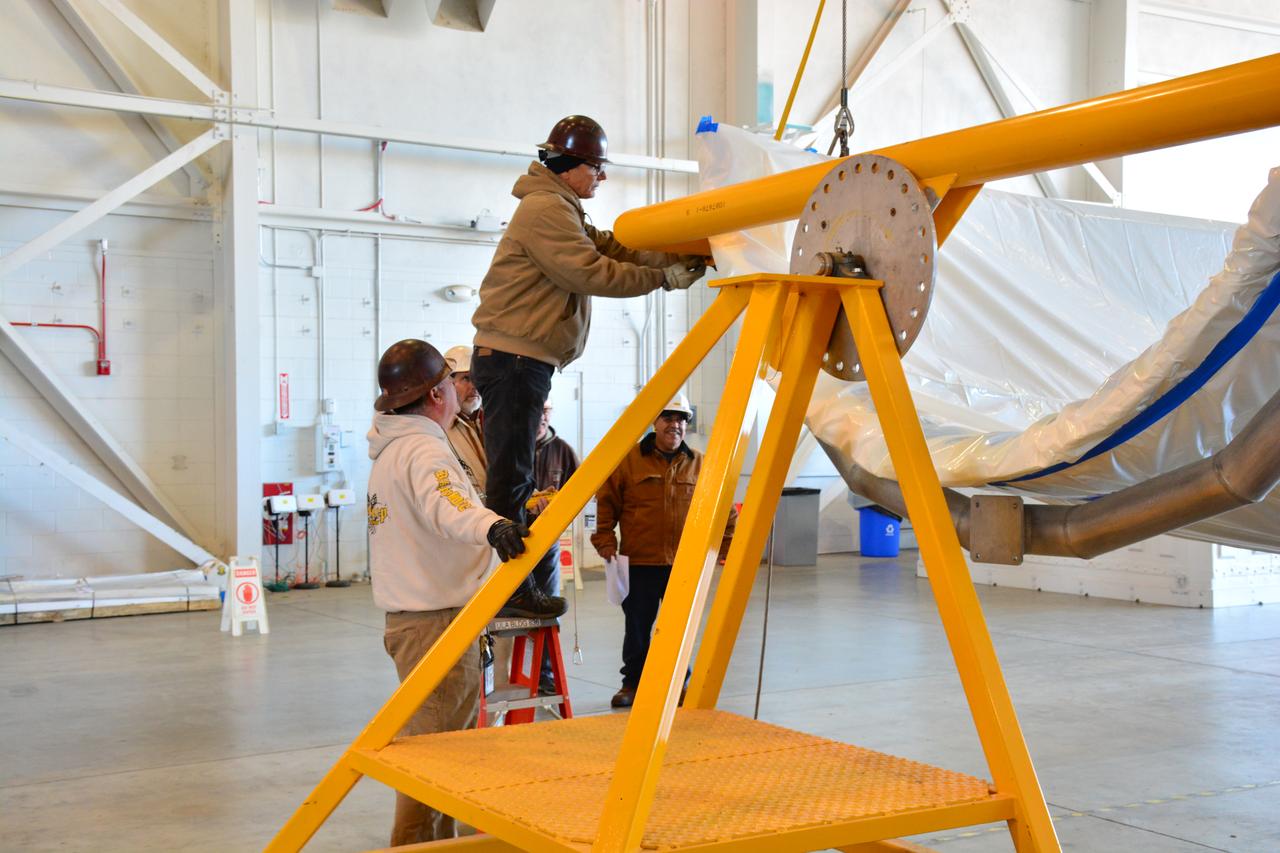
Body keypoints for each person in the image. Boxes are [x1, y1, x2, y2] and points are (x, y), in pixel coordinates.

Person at [470, 114, 710, 618]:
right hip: (515, 360)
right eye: (596, 167)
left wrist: (681, 252)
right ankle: (511, 588)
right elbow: (591, 271)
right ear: (570, 164)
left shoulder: (562, 207)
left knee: (517, 477)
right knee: (511, 479)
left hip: (523, 359)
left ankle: (517, 584)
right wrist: (665, 279)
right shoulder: (545, 209)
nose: (602, 176)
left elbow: (615, 249)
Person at [365, 338, 532, 845]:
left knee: (431, 750)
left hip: (417, 623)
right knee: (436, 759)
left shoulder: (393, 449)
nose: (464, 389)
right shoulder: (424, 449)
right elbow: (449, 505)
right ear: (438, 393)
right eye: (453, 382)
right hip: (435, 624)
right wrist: (493, 527)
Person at [591, 393, 736, 709]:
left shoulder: (701, 463)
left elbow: (724, 507)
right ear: (655, 422)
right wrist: (605, 541)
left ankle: (678, 684)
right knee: (637, 628)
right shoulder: (629, 461)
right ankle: (632, 683)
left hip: (684, 564)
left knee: (677, 629)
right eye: (668, 418)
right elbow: (607, 502)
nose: (675, 425)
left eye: (682, 419)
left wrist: (724, 549)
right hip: (639, 561)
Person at [528, 400, 580, 693]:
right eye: (536, 410)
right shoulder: (512, 447)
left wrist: (557, 508)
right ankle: (505, 673)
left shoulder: (564, 451)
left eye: (545, 411)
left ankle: (544, 675)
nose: (541, 417)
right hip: (512, 541)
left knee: (548, 607)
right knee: (505, 614)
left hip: (548, 544)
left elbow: (581, 494)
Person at [444, 344, 486, 496]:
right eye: (466, 378)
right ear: (447, 385)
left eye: (477, 378)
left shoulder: (493, 422)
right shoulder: (440, 430)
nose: (474, 385)